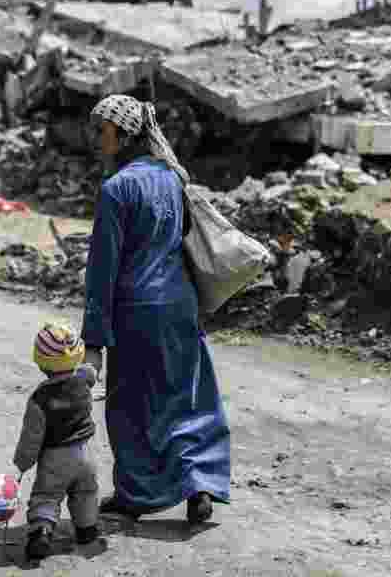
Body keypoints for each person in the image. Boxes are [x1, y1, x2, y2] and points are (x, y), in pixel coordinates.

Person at [81, 94, 231, 526]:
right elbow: (183, 238)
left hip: (136, 310)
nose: (95, 138)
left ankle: (136, 494)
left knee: (132, 405)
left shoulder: (116, 188)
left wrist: (94, 339)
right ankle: (198, 483)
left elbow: (102, 270)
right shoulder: (173, 177)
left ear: (125, 134)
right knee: (186, 397)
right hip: (179, 304)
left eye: (102, 129)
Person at [13, 321, 100, 560]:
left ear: (41, 362)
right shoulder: (83, 379)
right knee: (86, 492)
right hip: (87, 454)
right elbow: (91, 371)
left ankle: (41, 533)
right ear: (77, 357)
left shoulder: (39, 399)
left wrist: (23, 462)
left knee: (46, 496)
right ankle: (87, 530)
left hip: (55, 458)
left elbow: (31, 438)